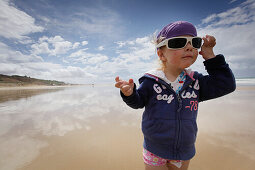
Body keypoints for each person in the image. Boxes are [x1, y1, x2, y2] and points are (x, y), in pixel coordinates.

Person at [115, 21, 236, 170]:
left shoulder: (196, 82)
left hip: (184, 149)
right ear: (161, 54)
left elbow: (226, 84)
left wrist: (210, 56)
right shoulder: (150, 81)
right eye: (179, 42)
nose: (190, 47)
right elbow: (138, 102)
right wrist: (130, 93)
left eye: (195, 42)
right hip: (154, 149)